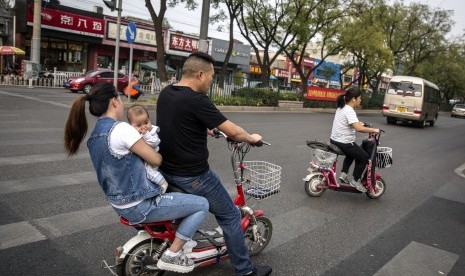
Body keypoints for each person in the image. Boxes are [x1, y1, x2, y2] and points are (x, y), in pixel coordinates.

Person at [64, 83, 209, 274]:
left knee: (178, 197)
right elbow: (156, 159)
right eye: (120, 99)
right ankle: (172, 255)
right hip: (140, 204)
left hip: (119, 205)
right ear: (114, 101)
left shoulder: (96, 135)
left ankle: (174, 240)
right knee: (201, 204)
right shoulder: (122, 130)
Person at [156, 51, 273, 276]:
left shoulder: (167, 93)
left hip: (168, 170)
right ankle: (245, 271)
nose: (212, 81)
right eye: (211, 76)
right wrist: (251, 138)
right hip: (194, 176)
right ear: (200, 74)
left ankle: (184, 243)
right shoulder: (197, 100)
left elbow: (179, 121)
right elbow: (234, 131)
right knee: (229, 215)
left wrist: (205, 126)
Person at [329, 87, 380, 192]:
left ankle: (343, 174)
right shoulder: (349, 110)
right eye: (359, 98)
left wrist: (359, 123)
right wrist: (374, 130)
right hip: (344, 142)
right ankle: (355, 180)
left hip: (334, 140)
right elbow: (359, 128)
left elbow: (352, 123)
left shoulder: (341, 108)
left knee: (353, 151)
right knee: (365, 158)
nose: (360, 100)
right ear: (353, 99)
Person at [127, 104, 168, 193]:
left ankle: (163, 183)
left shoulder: (152, 132)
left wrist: (146, 135)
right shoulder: (132, 134)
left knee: (150, 173)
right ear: (131, 126)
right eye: (138, 125)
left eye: (146, 122)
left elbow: (155, 142)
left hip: (151, 159)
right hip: (142, 159)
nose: (144, 127)